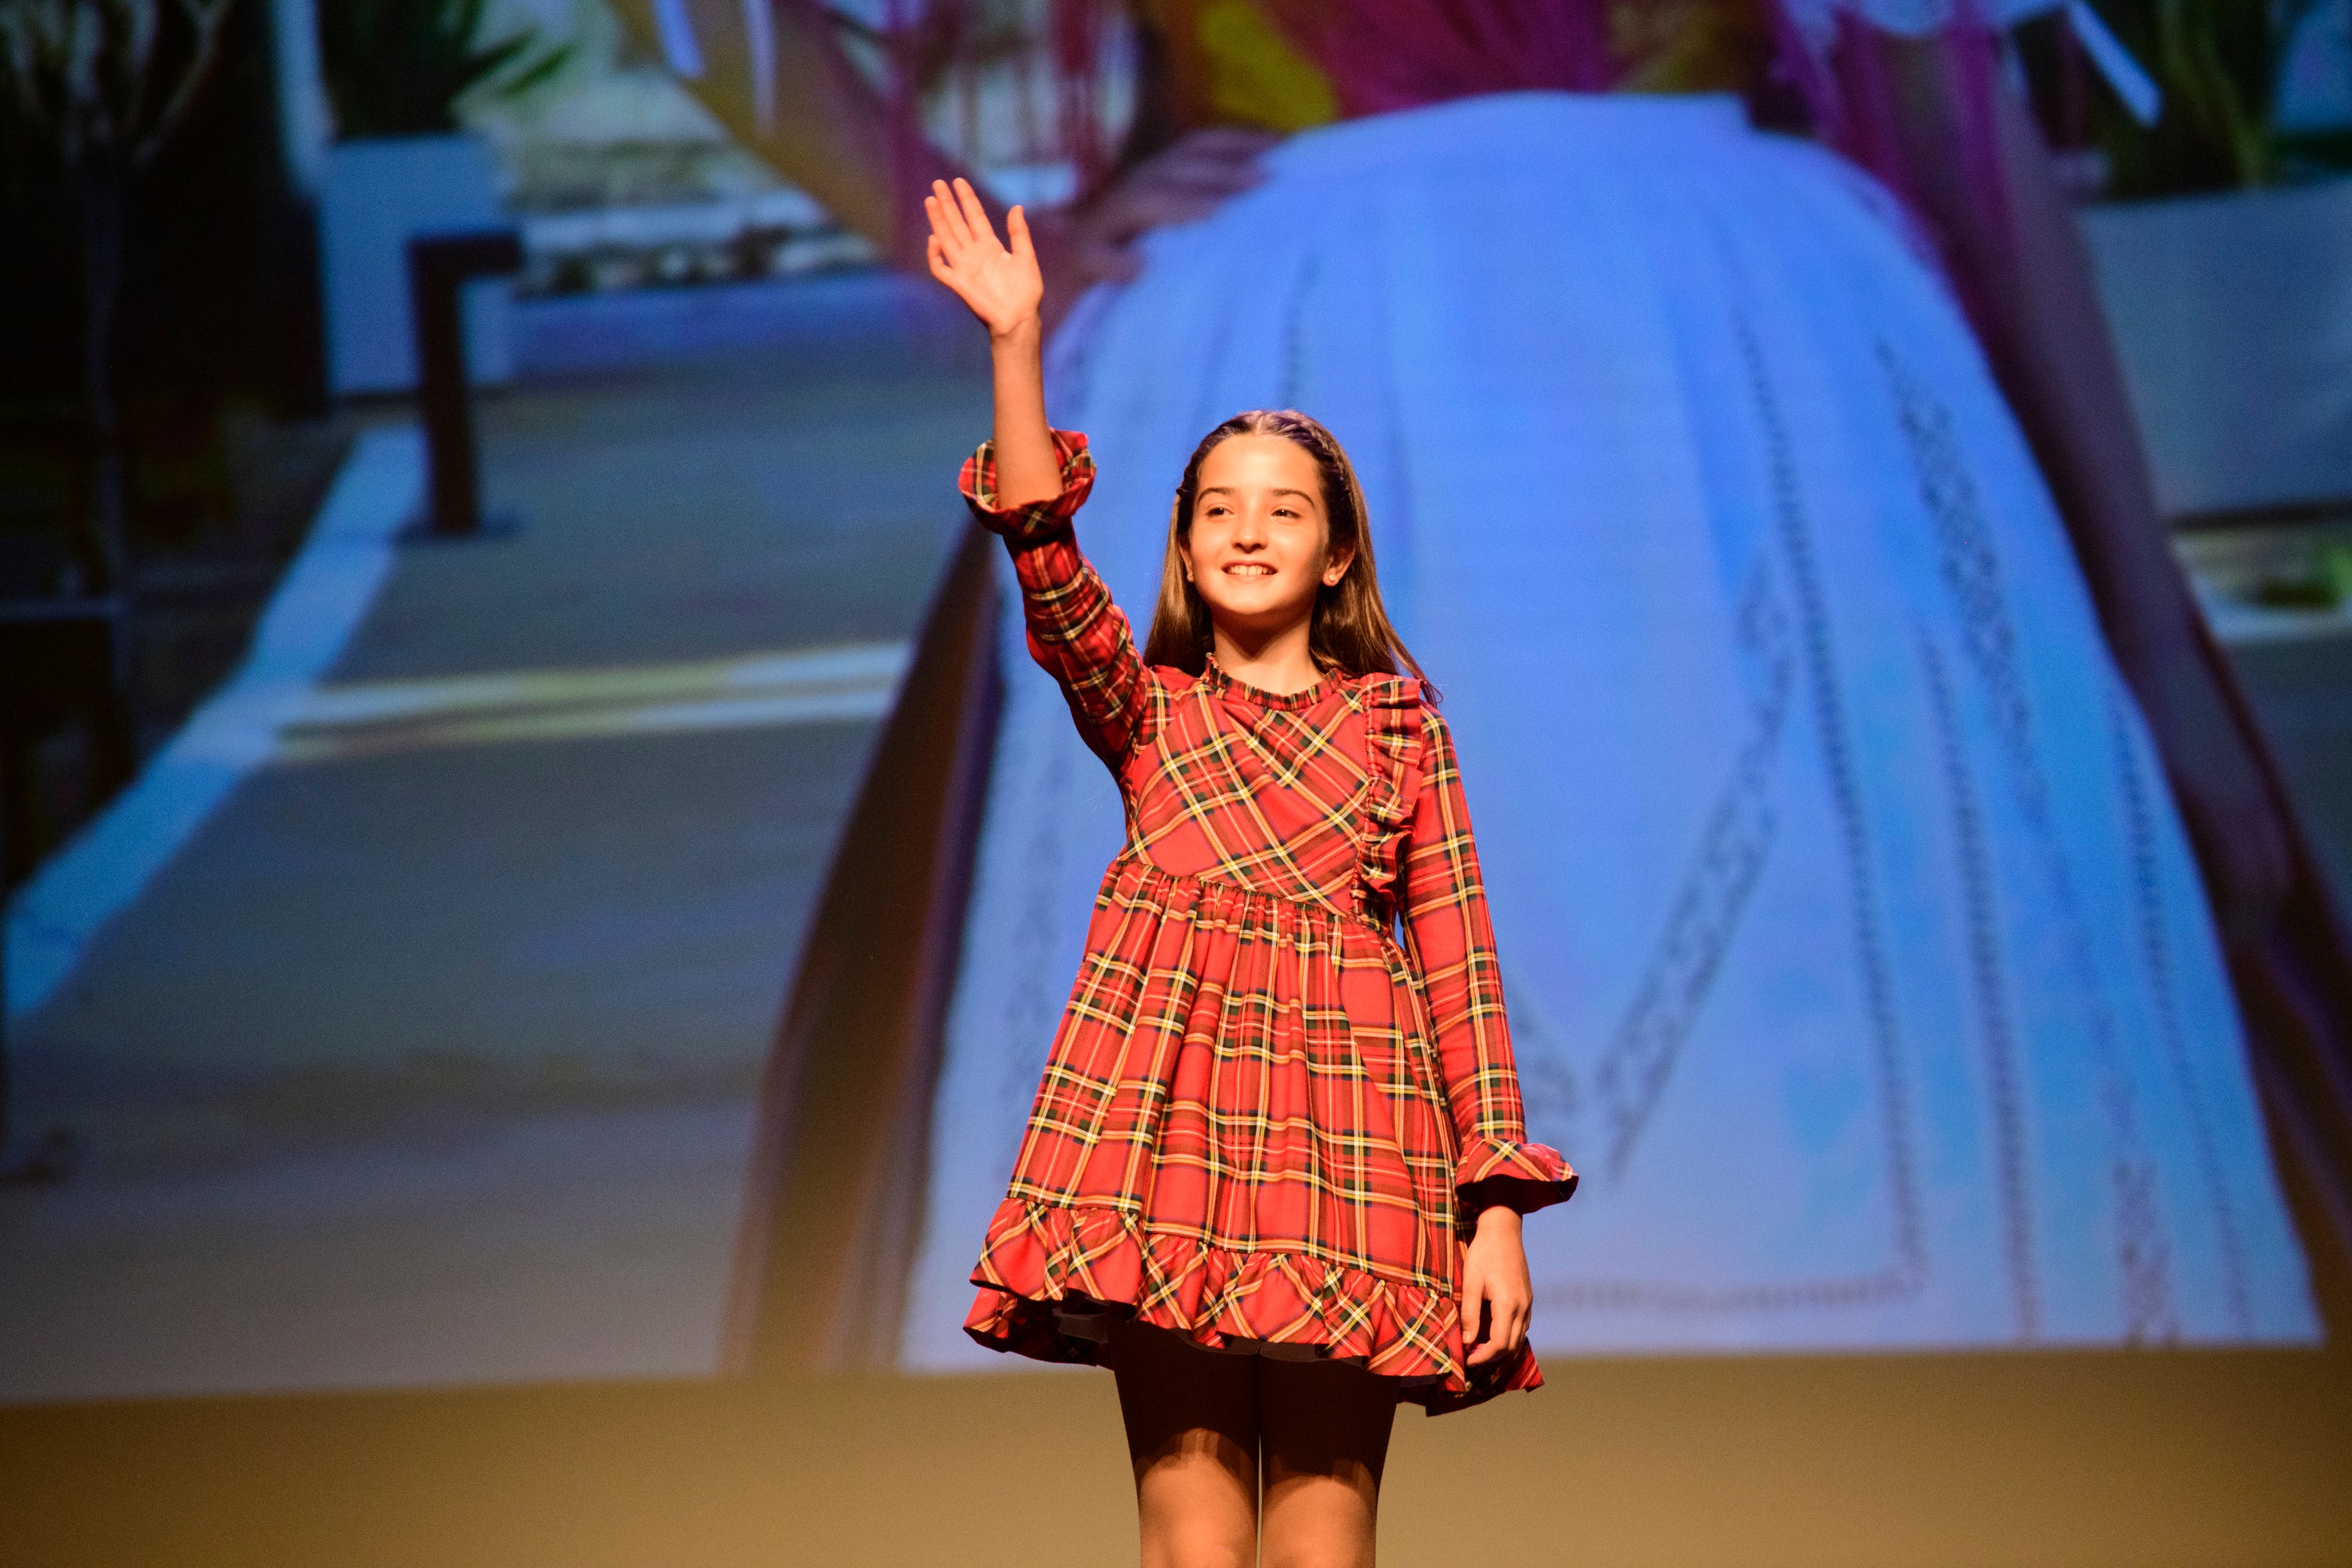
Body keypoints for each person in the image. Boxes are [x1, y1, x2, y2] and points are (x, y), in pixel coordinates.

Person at [612, 0, 2342, 1356]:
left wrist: (2151, 642)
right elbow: (1953, 134)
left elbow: (1954, 131)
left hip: (1530, 353)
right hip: (1701, 348)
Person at [923, 173, 1577, 1561]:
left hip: (1356, 1142)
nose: (1246, 528)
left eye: (1284, 508)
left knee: (1321, 1546)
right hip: (1165, 1136)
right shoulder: (1147, 707)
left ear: (1334, 548)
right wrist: (1015, 343)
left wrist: (1496, 1211)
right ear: (1181, 540)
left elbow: (1458, 958)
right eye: (1216, 505)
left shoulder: (1397, 722)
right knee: (1190, 1538)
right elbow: (1044, 561)